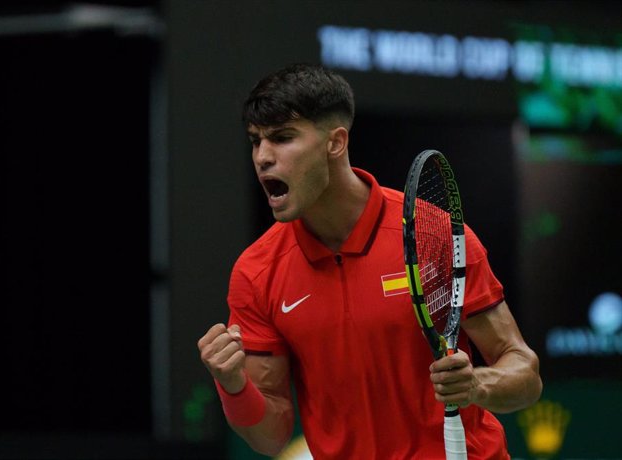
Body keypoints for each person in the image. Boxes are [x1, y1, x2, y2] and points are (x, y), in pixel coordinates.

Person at [197, 63, 542, 459]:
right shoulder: (257, 272)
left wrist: (477, 385)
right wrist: (233, 386)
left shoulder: (433, 234)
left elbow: (525, 374)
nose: (262, 157)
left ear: (335, 143)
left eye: (282, 138)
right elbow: (271, 436)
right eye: (256, 141)